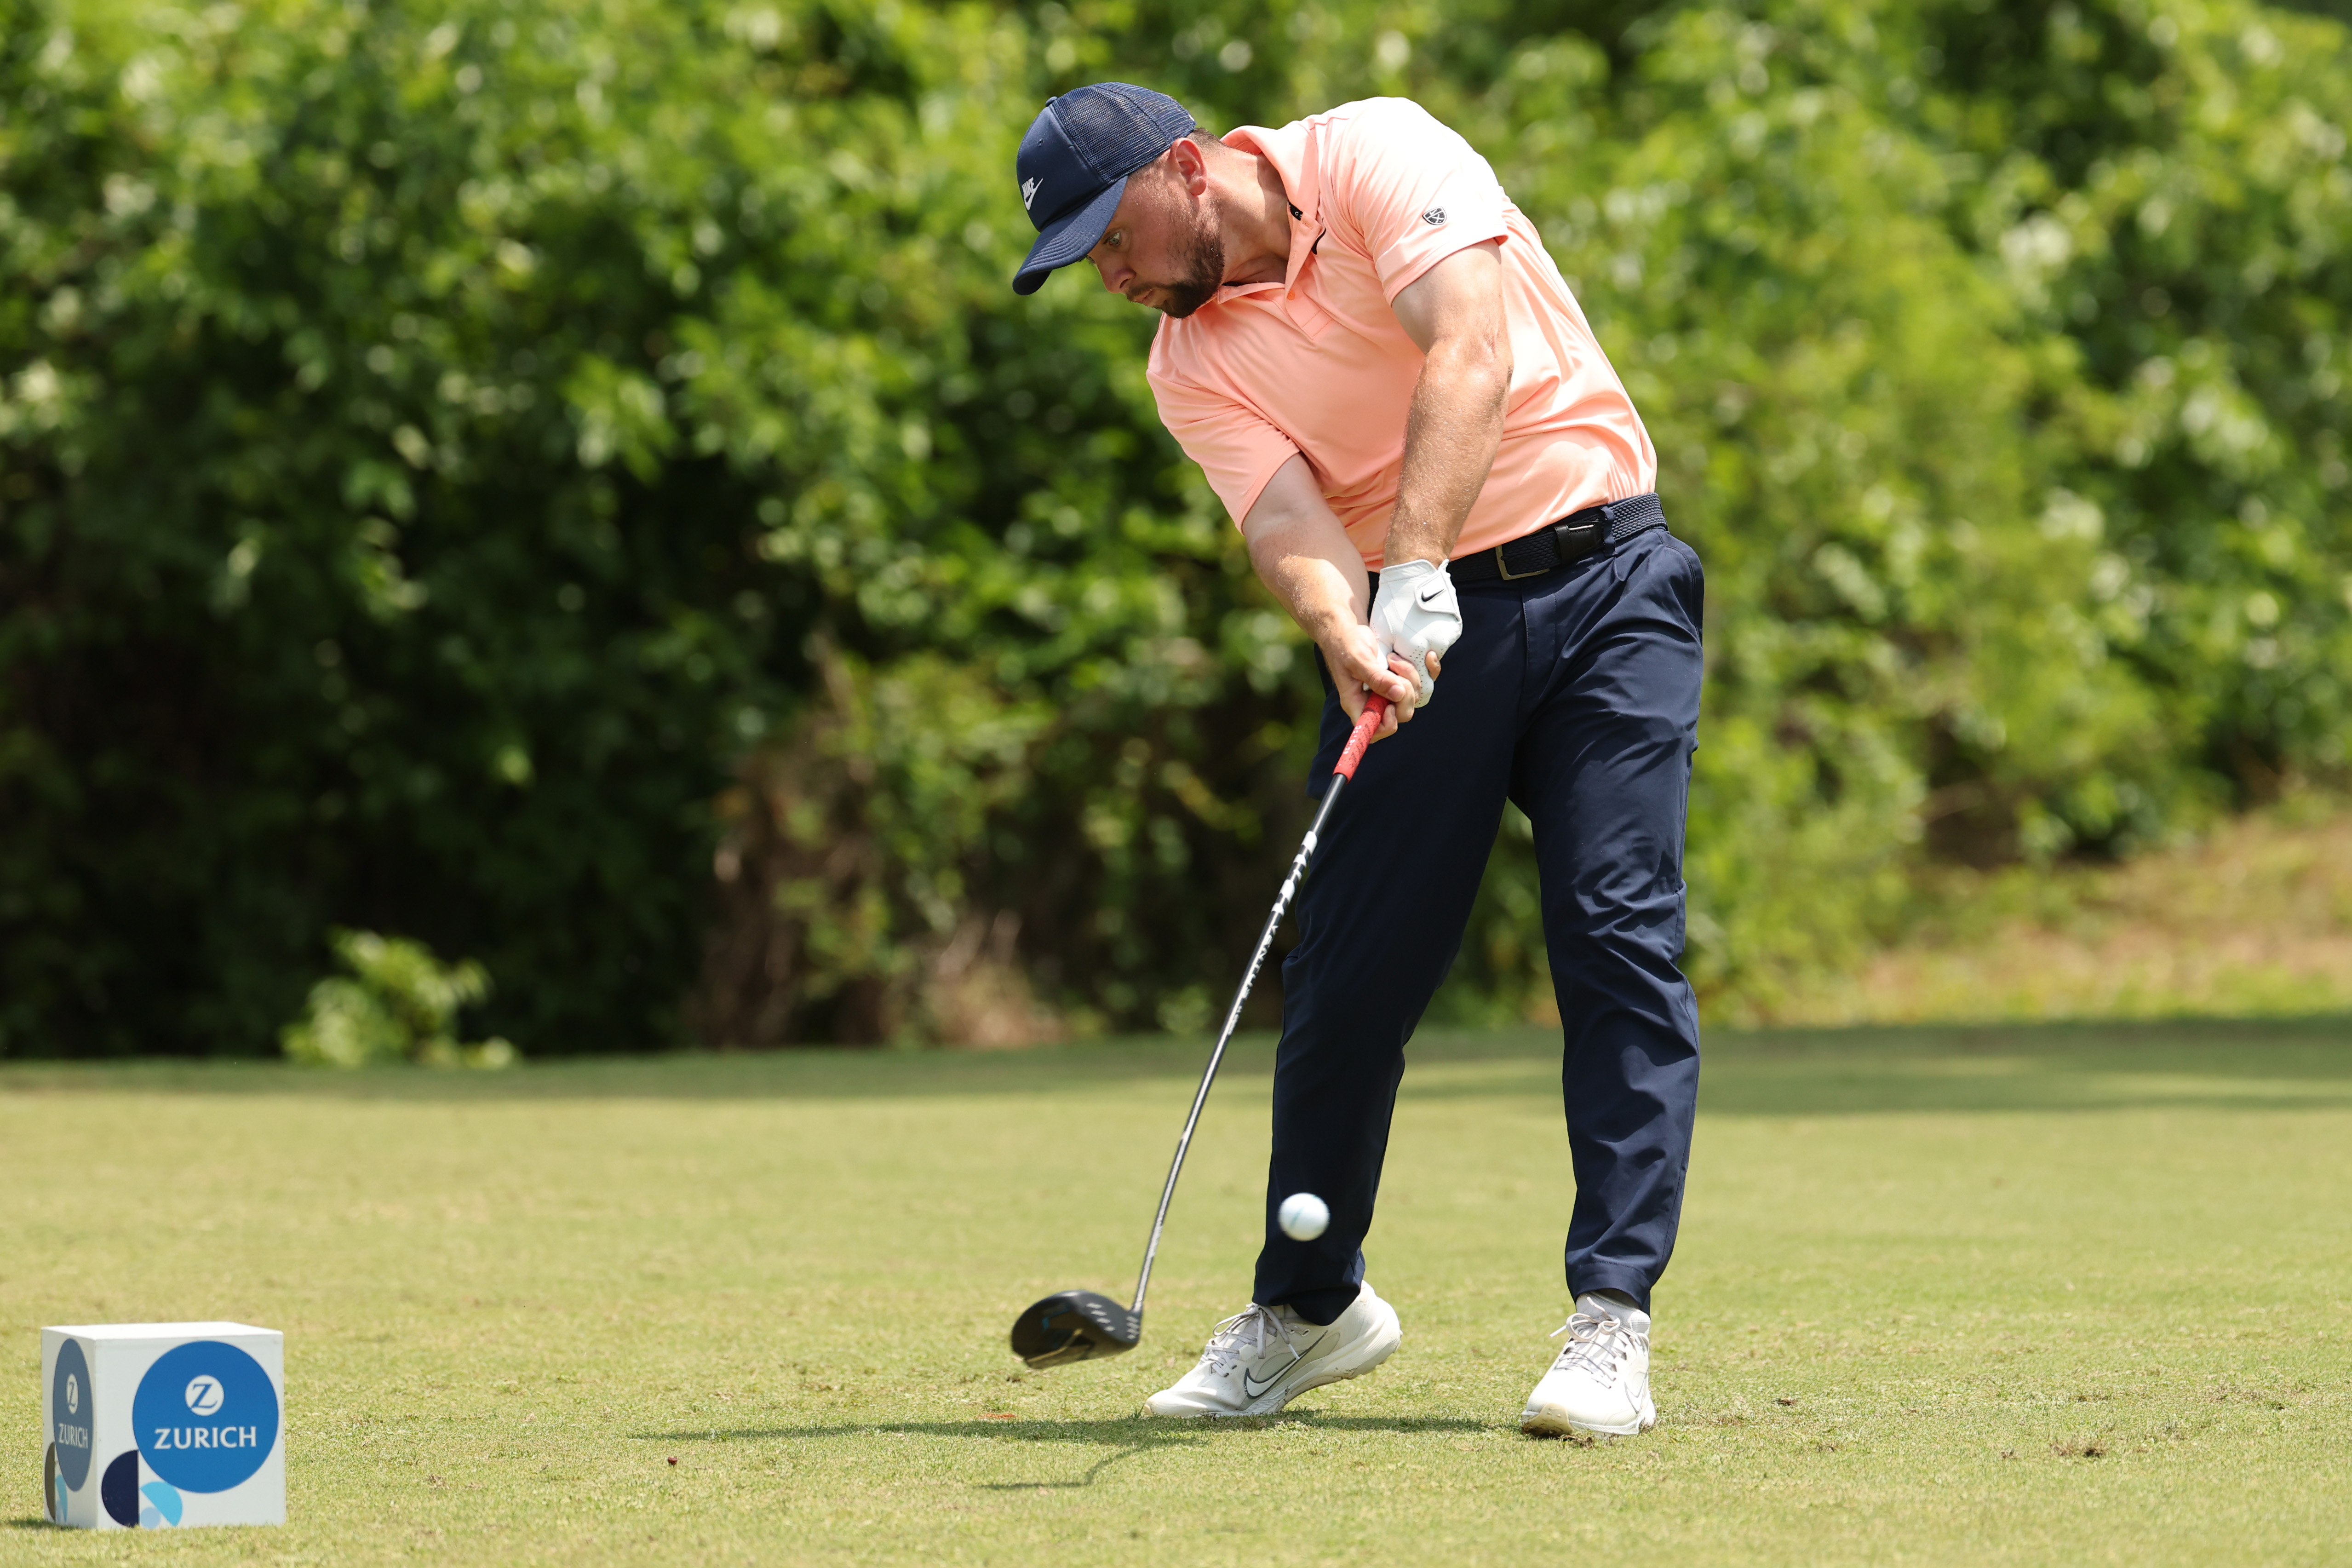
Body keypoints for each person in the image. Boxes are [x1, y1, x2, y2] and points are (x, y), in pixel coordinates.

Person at [1010, 82, 1702, 1439]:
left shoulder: (1380, 151)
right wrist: (1344, 623)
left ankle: (1609, 1319)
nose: (1109, 270)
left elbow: (1470, 352)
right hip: (1412, 622)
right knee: (1343, 976)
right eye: (1080, 256)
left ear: (1190, 168)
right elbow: (1282, 518)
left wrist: (1419, 560)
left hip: (1603, 576)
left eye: (1111, 231)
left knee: (1612, 934)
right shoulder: (1188, 362)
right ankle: (1311, 1306)